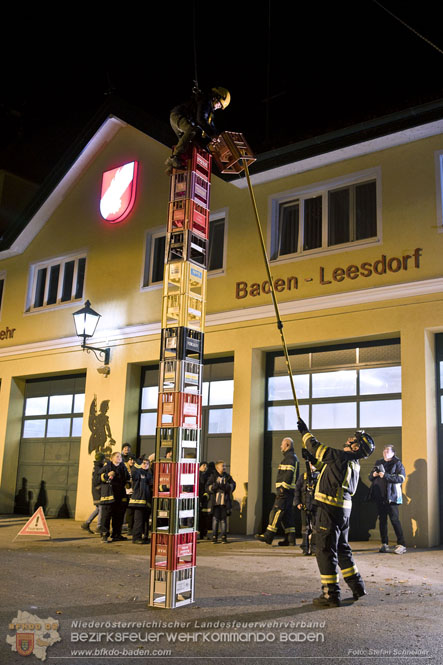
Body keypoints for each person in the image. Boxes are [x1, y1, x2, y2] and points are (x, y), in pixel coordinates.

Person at [298, 418, 375, 607]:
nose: (349, 440)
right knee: (342, 549)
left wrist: (305, 432)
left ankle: (330, 594)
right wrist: (312, 459)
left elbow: (316, 446)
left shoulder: (340, 456)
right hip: (343, 511)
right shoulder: (352, 463)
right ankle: (357, 586)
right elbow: (328, 466)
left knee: (324, 551)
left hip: (328, 509)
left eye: (353, 440)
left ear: (357, 448)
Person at [165, 86, 231, 171]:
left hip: (181, 120)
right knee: (192, 130)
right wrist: (212, 135)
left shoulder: (209, 111)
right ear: (216, 97)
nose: (217, 107)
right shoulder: (205, 101)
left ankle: (171, 167)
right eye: (219, 104)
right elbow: (201, 120)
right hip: (178, 116)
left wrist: (216, 137)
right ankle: (174, 158)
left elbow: (210, 126)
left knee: (188, 143)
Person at [256, 437, 298, 546]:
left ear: (287, 445)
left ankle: (268, 536)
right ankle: (290, 538)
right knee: (287, 515)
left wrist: (282, 488)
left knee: (276, 512)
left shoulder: (289, 458)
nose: (280, 446)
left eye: (282, 444)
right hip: (288, 492)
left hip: (284, 492)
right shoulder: (291, 458)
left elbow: (288, 475)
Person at [368, 445, 406, 554]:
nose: (385, 452)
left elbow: (401, 478)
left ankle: (402, 544)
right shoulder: (379, 462)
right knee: (382, 520)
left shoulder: (397, 463)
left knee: (394, 520)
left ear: (393, 453)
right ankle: (384, 543)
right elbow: (370, 477)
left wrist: (385, 476)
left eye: (388, 450)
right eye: (384, 450)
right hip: (380, 497)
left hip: (392, 497)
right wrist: (373, 474)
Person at [99, 451, 130, 543]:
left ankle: (116, 534)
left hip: (120, 496)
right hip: (109, 496)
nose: (119, 458)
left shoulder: (123, 468)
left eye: (120, 457)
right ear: (112, 458)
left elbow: (127, 479)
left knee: (119, 517)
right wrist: (107, 475)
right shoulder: (107, 467)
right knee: (106, 517)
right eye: (117, 456)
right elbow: (97, 479)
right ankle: (104, 535)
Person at [294, 452, 320, 555]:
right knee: (305, 528)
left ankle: (314, 548)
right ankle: (305, 548)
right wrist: (297, 502)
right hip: (304, 506)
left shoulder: (319, 477)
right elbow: (297, 490)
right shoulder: (303, 477)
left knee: (315, 528)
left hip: (316, 506)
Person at [206, 460, 236, 544]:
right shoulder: (213, 476)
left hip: (224, 502)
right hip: (215, 502)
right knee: (215, 519)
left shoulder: (228, 477)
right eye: (223, 466)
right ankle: (214, 536)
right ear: (217, 467)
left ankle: (224, 537)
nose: (224, 467)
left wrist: (227, 486)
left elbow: (233, 485)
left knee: (223, 520)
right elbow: (207, 487)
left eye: (225, 466)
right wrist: (213, 487)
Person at [128, 456, 152, 544]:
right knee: (138, 520)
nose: (145, 465)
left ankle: (145, 536)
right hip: (138, 501)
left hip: (146, 501)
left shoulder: (149, 474)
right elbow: (133, 473)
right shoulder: (138, 472)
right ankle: (136, 537)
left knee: (145, 520)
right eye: (144, 463)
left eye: (147, 463)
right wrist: (137, 464)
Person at [81, 452, 106, 534]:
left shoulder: (96, 467)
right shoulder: (99, 468)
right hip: (98, 491)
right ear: (102, 460)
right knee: (101, 508)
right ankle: (99, 526)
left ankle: (87, 523)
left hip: (96, 491)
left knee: (98, 508)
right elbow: (96, 480)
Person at [198, 462, 211, 540]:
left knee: (204, 517)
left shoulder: (207, 476)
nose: (205, 467)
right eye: (203, 465)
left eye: (206, 466)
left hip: (204, 498)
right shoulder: (196, 475)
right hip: (197, 497)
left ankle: (203, 533)